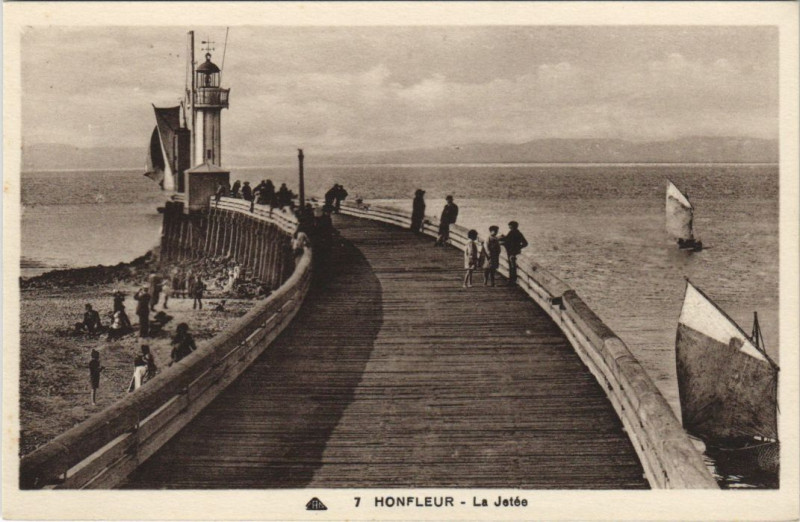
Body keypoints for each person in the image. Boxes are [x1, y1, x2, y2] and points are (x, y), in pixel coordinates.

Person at [501, 220, 528, 285]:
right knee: (512, 266)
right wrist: (519, 247)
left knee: (512, 267)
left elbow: (507, 240)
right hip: (513, 252)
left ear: (513, 226)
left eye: (510, 226)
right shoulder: (517, 233)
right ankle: (512, 280)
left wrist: (517, 247)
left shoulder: (513, 233)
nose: (509, 227)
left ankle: (512, 281)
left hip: (512, 252)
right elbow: (525, 243)